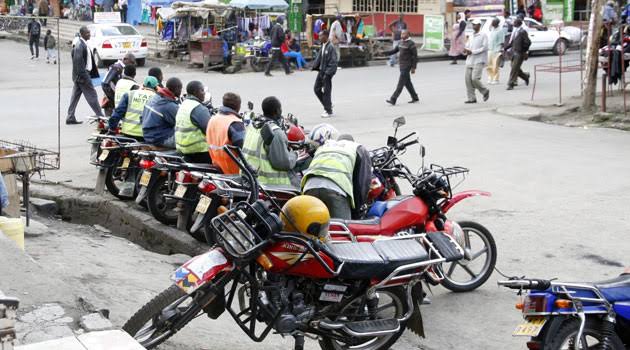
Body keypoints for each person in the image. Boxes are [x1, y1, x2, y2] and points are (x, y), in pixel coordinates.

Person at [302, 130, 371, 220]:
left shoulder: (326, 145)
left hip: (309, 187)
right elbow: (362, 184)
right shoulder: (358, 148)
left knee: (314, 228)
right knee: (342, 229)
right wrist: (356, 210)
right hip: (335, 189)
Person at [242, 96, 299, 187]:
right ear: (277, 111)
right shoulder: (275, 132)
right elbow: (283, 163)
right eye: (280, 109)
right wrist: (295, 154)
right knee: (297, 182)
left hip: (249, 176)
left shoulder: (252, 126)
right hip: (270, 183)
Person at [66, 26, 103, 125]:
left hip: (80, 76)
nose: (89, 34)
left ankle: (70, 117)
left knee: (75, 97)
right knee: (92, 95)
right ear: (82, 34)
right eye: (87, 33)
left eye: (89, 32)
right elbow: (78, 64)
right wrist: (85, 77)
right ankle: (101, 116)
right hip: (82, 76)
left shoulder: (83, 44)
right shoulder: (79, 45)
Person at [206, 92, 246, 174]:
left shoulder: (213, 119)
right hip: (233, 171)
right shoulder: (235, 123)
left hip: (217, 166)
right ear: (238, 106)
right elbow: (243, 149)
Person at [175, 81, 212, 163]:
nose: (204, 93)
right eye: (202, 90)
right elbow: (209, 130)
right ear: (195, 92)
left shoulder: (184, 104)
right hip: (199, 152)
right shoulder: (198, 108)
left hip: (182, 149)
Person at [142, 77, 183, 148]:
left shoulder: (155, 98)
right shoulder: (169, 105)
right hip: (160, 139)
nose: (181, 91)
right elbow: (181, 123)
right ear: (177, 88)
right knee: (190, 141)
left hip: (147, 135)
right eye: (180, 89)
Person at [384, 29, 419, 105]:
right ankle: (415, 97)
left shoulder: (411, 44)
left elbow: (415, 57)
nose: (402, 35)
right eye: (401, 34)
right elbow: (394, 51)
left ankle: (393, 99)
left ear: (408, 35)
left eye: (404, 34)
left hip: (407, 66)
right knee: (407, 83)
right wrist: (384, 53)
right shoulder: (400, 42)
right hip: (401, 65)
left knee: (400, 84)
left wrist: (413, 67)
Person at [312, 30, 338, 118]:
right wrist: (314, 66)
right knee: (316, 89)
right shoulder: (323, 45)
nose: (319, 38)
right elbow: (319, 58)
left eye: (320, 36)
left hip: (327, 73)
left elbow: (334, 62)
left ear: (326, 36)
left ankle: (328, 111)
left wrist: (328, 74)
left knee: (327, 92)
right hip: (321, 71)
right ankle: (328, 104)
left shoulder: (330, 47)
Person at [464, 19, 489, 103]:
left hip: (479, 60)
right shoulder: (471, 35)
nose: (473, 26)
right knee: (468, 80)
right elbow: (467, 45)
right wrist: (466, 50)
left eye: (475, 25)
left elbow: (484, 48)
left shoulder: (483, 35)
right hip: (470, 60)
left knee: (474, 78)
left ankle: (484, 91)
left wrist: (473, 52)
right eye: (473, 24)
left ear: (479, 25)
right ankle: (472, 98)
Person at [505, 18, 531, 90]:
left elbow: (528, 42)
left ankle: (511, 84)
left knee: (514, 69)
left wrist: (524, 50)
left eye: (515, 22)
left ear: (518, 24)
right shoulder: (515, 30)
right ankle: (525, 76)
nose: (513, 24)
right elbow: (513, 42)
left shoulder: (523, 32)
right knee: (514, 67)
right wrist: (506, 48)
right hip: (514, 52)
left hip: (519, 53)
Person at [487, 18, 504, 84]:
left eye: (493, 22)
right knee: (489, 64)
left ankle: (496, 79)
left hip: (497, 50)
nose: (492, 23)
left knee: (495, 65)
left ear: (496, 23)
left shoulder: (500, 30)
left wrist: (501, 51)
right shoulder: (492, 29)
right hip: (490, 49)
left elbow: (502, 42)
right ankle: (490, 77)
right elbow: (489, 28)